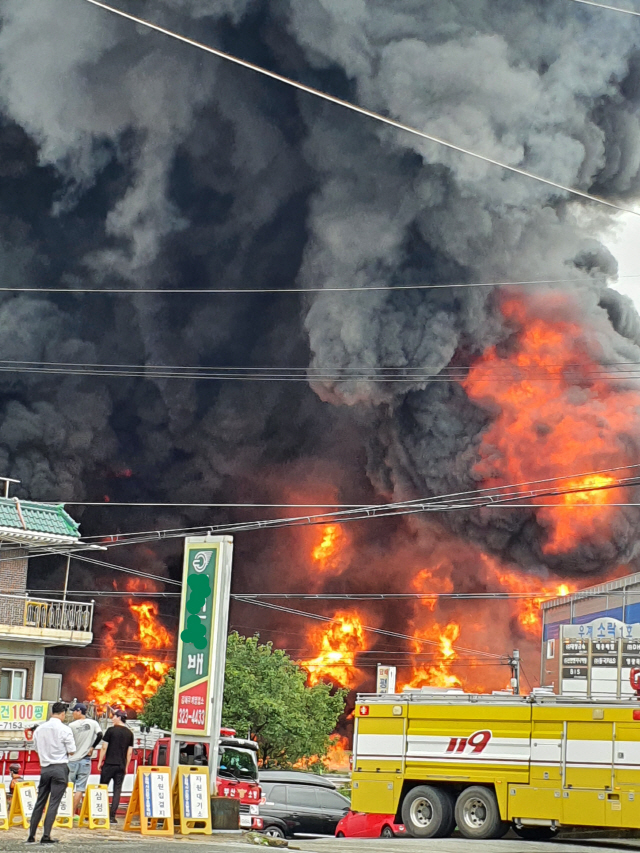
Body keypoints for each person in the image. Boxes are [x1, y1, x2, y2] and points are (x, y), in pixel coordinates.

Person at [26, 702, 75, 845]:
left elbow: (36, 748)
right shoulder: (65, 729)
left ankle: (31, 835)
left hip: (45, 768)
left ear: (51, 712)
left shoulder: (40, 729)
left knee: (40, 801)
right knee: (53, 803)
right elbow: (71, 750)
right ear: (63, 713)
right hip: (60, 767)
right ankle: (46, 835)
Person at [97, 709, 133, 824]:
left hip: (109, 764)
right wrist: (126, 766)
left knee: (102, 788)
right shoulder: (129, 733)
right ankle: (112, 816)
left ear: (119, 717)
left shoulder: (111, 730)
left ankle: (99, 812)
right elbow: (129, 752)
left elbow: (104, 747)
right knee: (117, 790)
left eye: (114, 717)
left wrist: (99, 762)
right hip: (121, 765)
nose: (112, 719)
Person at [68, 703, 102, 815]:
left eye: (74, 711)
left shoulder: (71, 726)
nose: (72, 713)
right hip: (85, 760)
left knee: (68, 786)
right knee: (80, 788)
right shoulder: (93, 723)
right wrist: (93, 746)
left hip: (72, 760)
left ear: (79, 711)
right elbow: (100, 735)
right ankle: (72, 812)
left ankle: (65, 811)